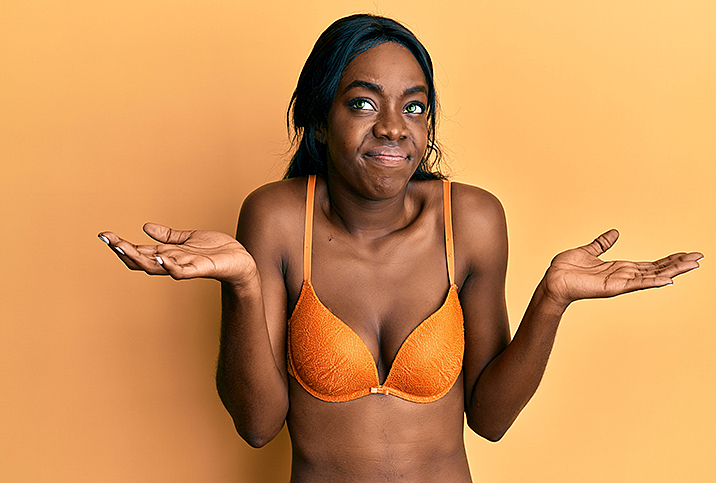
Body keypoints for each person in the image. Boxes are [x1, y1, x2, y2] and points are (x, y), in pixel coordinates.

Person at [97, 14, 702, 483]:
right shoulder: (278, 217)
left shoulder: (472, 220)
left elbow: (489, 419)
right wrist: (243, 285)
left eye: (414, 106)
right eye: (363, 103)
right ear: (319, 114)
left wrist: (552, 302)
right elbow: (258, 427)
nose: (393, 126)